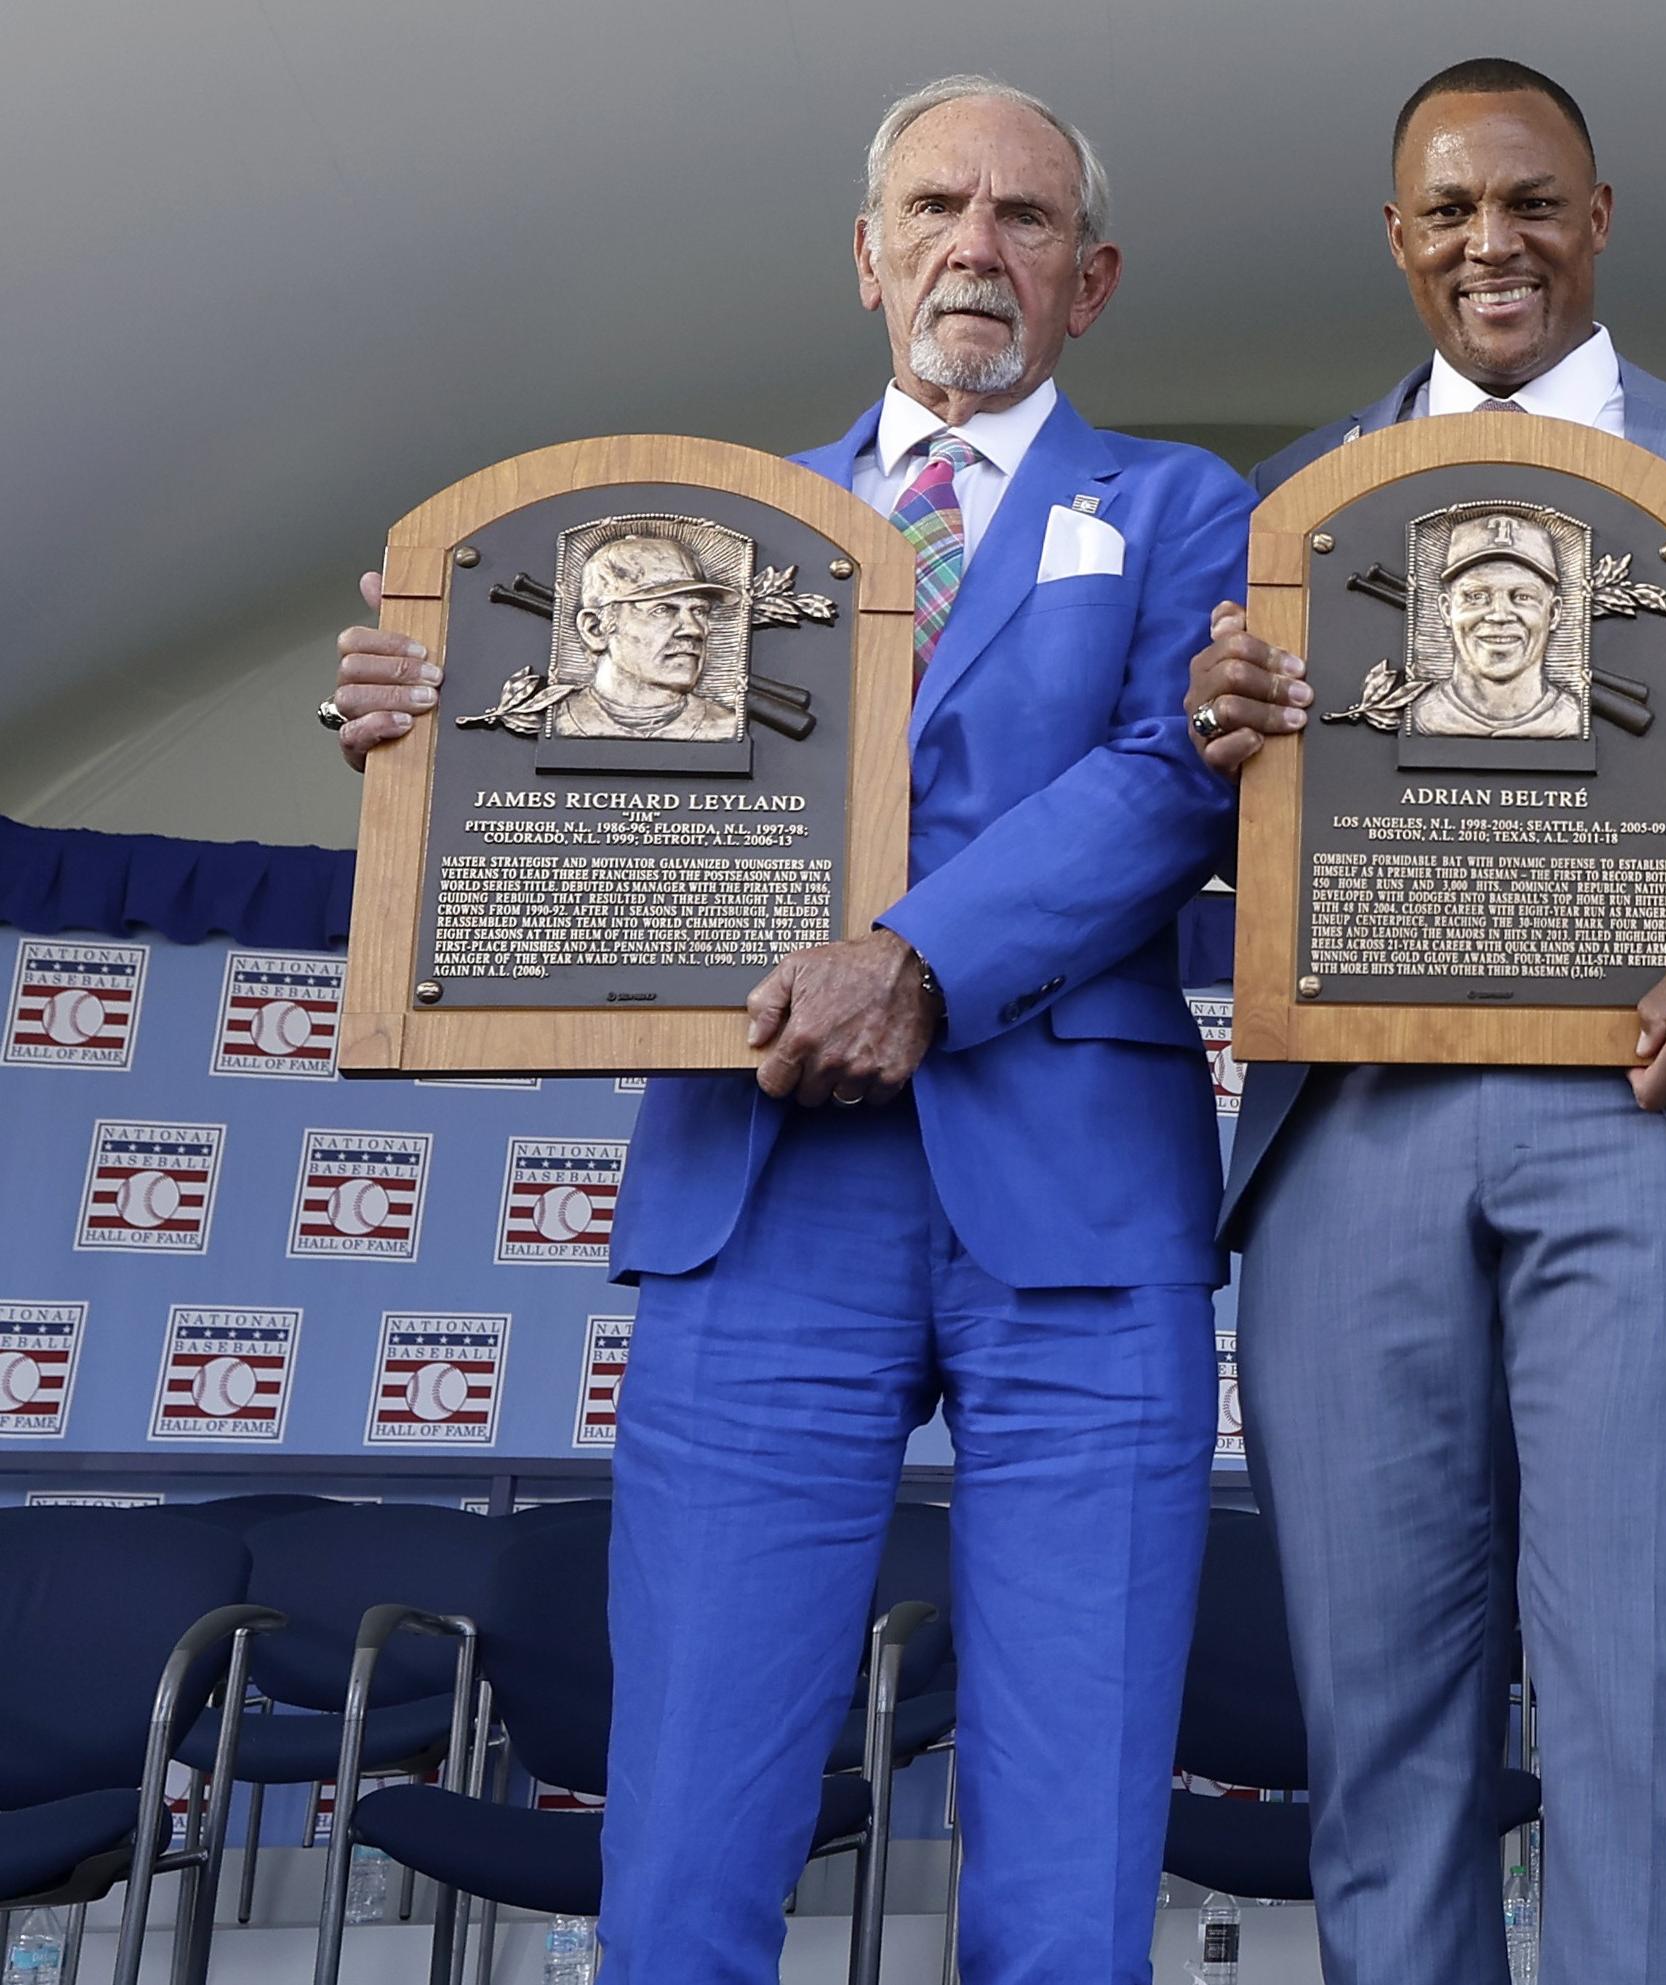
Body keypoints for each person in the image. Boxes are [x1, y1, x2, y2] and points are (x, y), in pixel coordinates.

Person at [327, 74, 1250, 1983]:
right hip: (760, 1193)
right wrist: (441, 718)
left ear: (1091, 277)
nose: (973, 245)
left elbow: (1178, 776)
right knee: (688, 1821)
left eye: (1021, 217)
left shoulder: (1184, 507)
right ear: (865, 254)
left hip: (1074, 1205)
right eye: (933, 208)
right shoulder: (692, 535)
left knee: (1074, 1840)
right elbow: (567, 792)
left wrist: (910, 961)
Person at [1179, 56, 1666, 1982]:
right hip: (1355, 1139)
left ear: (1595, 218)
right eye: (1446, 210)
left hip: (1660, 1122)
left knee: (1654, 1721)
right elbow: (1222, 827)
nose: (1488, 242)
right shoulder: (1296, 503)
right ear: (1396, 241)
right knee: (1377, 1739)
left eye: (1527, 202)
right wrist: (1216, 766)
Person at [550, 532, 742, 740]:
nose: (694, 629)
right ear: (595, 629)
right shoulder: (557, 720)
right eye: (662, 610)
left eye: (699, 611)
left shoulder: (727, 727)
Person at [1422, 507, 1584, 737]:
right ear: (1447, 610)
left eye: (1522, 597)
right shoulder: (1422, 717)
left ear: (1554, 613)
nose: (1499, 615)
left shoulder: (1572, 720)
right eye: (1476, 597)